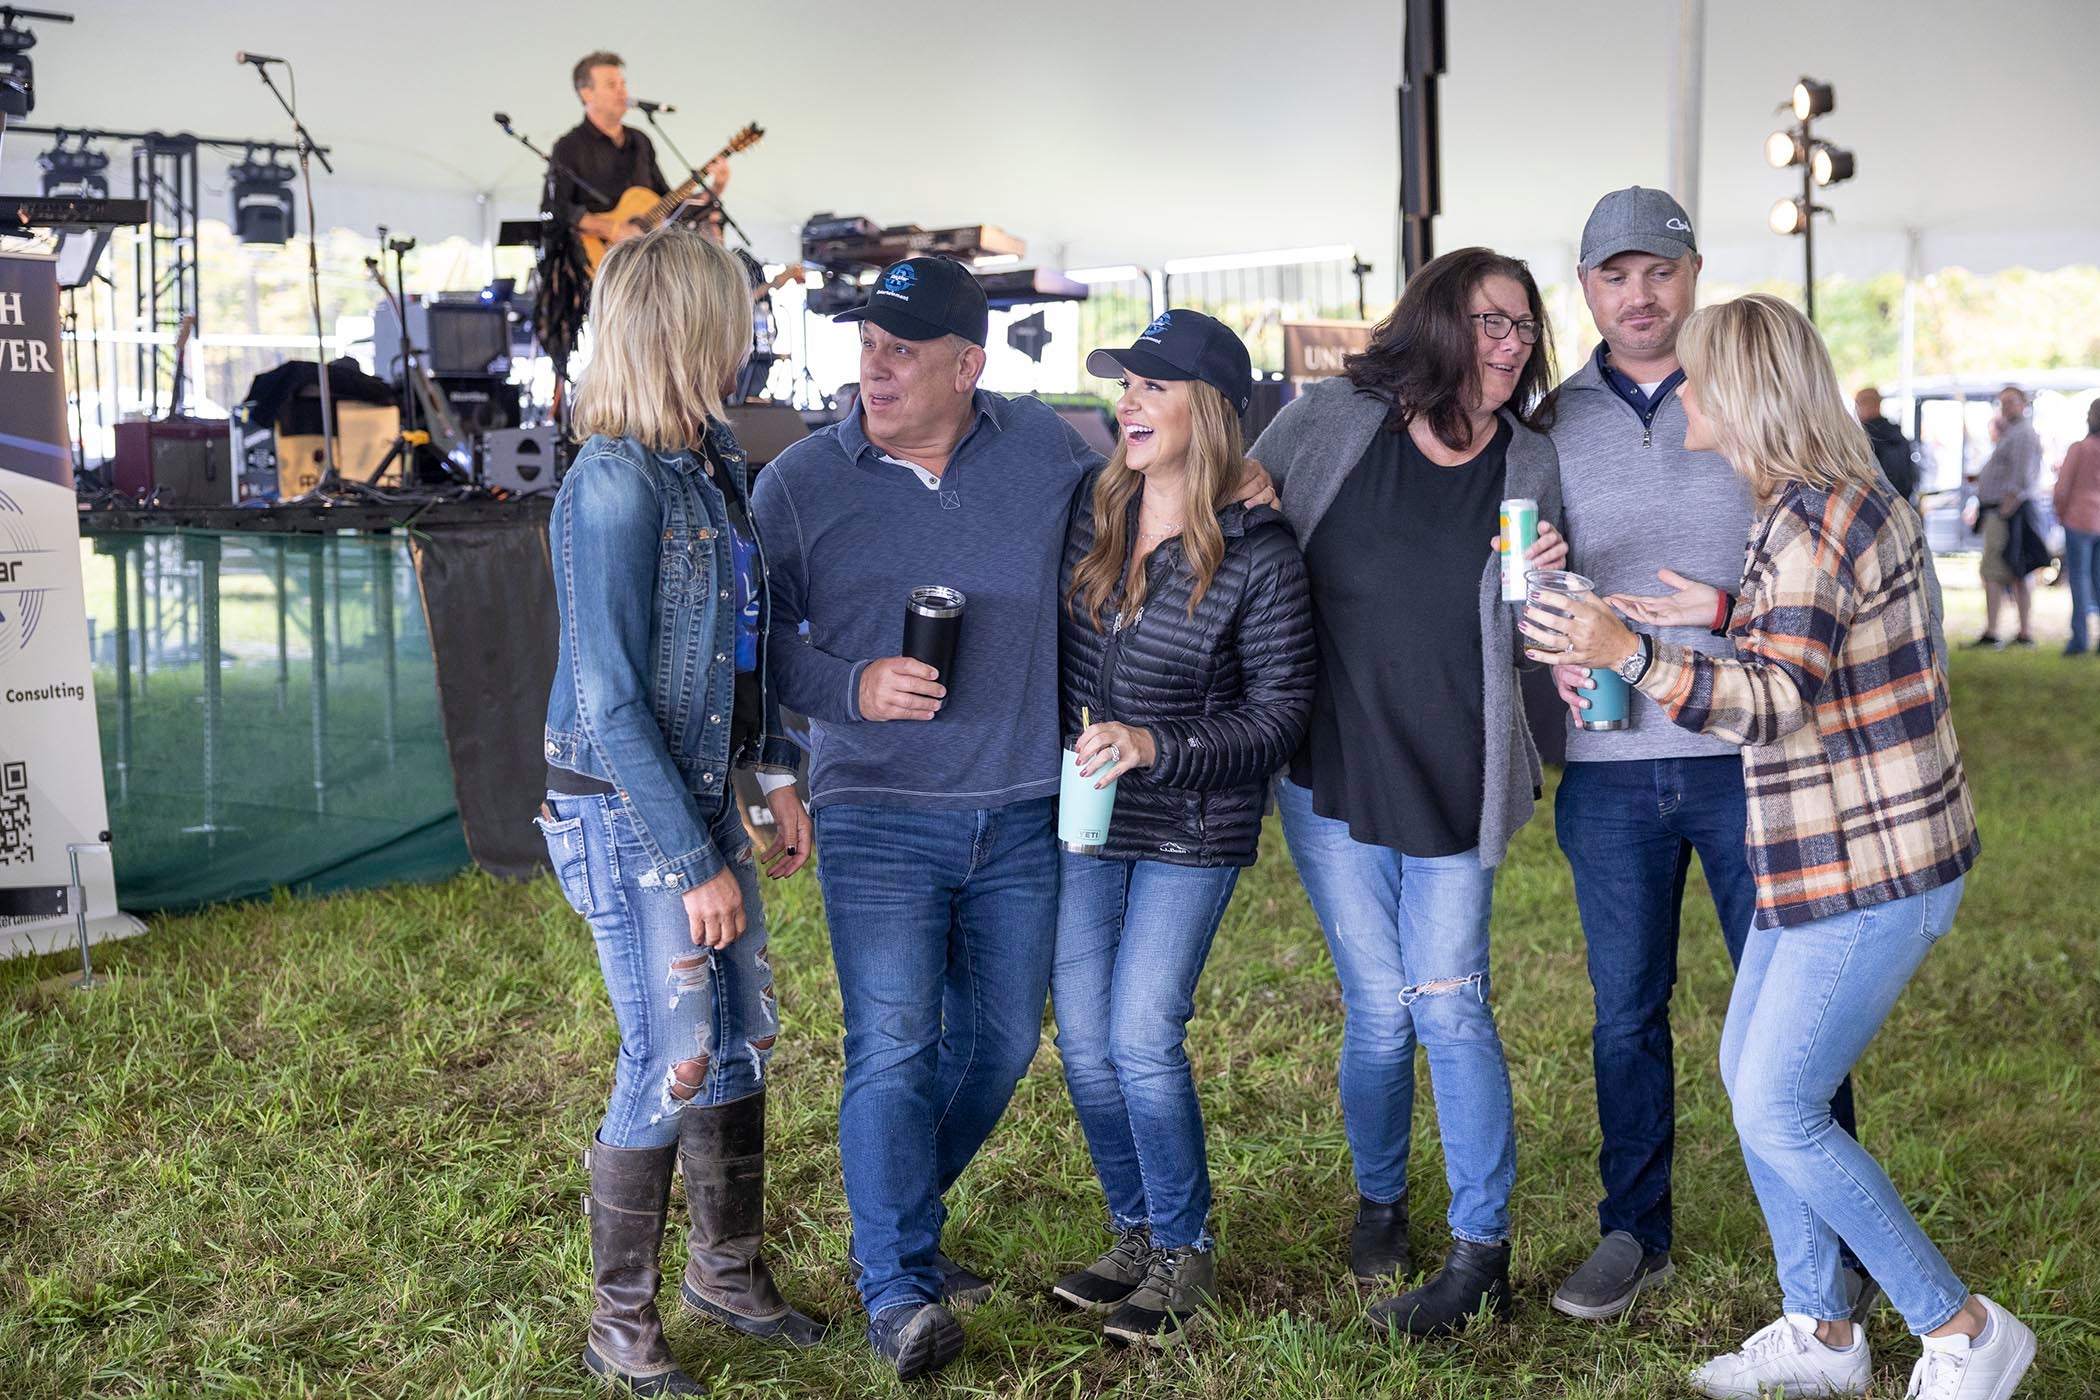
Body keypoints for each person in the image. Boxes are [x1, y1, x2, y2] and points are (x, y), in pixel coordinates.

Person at [752, 258, 1275, 1378]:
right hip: (877, 811)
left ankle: (894, 1221)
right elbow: (763, 646)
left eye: (902, 348)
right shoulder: (796, 481)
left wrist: (1251, 474)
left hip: (1027, 811)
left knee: (997, 1045)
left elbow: (1159, 470)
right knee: (892, 1043)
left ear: (967, 365)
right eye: (867, 344)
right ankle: (896, 1285)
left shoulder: (1042, 448)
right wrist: (849, 688)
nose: (874, 366)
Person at [1529, 292, 2036, 1400]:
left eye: (1701, 377)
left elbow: (1771, 699)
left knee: (1777, 1102)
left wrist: (1637, 651)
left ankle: (1963, 1329)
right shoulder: (1812, 501)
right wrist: (1712, 609)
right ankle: (1822, 1334)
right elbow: (1808, 636)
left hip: (1867, 862)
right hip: (1825, 849)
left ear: (1744, 394)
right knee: (1750, 1078)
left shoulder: (1810, 517)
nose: (1685, 392)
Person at [1542, 187, 1873, 1325]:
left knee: (1798, 1007)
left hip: (1753, 758)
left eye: (1659, 272)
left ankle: (1840, 1228)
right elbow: (1522, 584)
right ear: (1584, 287)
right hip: (1609, 758)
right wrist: (1540, 627)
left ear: (1693, 276)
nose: (1639, 295)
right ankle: (1635, 1229)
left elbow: (1821, 571)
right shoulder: (1547, 421)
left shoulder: (1752, 394)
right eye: (1613, 275)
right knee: (1626, 1009)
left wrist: (1722, 604)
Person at [1249, 246, 1567, 1338]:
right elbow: (1244, 518)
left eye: (1523, 327)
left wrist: (1555, 589)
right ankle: (1380, 1195)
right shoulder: (1333, 420)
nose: (1511, 344)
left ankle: (1484, 1246)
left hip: (1453, 770)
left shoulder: (1530, 462)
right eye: (1490, 321)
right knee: (1380, 1012)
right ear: (1435, 322)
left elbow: (1538, 630)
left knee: (1451, 1004)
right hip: (1331, 765)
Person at [538, 226, 822, 1398]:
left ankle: (726, 1269)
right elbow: (607, 699)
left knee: (744, 1032)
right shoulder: (610, 482)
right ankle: (620, 1323)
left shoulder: (711, 458)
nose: (749, 337)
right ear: (682, 326)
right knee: (675, 1050)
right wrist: (690, 854)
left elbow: (741, 653)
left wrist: (774, 775)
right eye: (735, 316)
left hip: (704, 798)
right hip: (627, 812)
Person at [1048, 311, 1314, 1347]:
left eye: (1153, 386)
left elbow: (1281, 714)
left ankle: (1183, 1244)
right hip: (1087, 812)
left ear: (1206, 411)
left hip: (1189, 823)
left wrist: (1156, 744)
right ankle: (1134, 1228)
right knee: (1082, 1036)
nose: (1128, 400)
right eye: (1126, 383)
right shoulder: (1092, 506)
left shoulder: (1261, 551)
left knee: (1140, 1034)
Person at [547, 50, 729, 251]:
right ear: (586, 93)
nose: (622, 91)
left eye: (623, 83)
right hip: (595, 259)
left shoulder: (641, 141)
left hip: (645, 259)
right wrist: (614, 229)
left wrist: (716, 188)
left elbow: (669, 202)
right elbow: (556, 207)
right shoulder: (569, 146)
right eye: (611, 85)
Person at [1967, 385, 2043, 648]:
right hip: (2003, 509)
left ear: (2023, 403)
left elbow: (2021, 477)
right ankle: (2017, 631)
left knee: (1996, 571)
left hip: (2007, 512)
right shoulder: (2013, 432)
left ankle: (1997, 631)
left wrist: (2004, 510)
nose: (2006, 407)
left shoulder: (2022, 434)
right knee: (2013, 572)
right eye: (2002, 403)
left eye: (2011, 402)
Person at [2049, 399, 2100, 655]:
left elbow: (2063, 486)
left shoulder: (2080, 449)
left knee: (2079, 579)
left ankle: (2079, 640)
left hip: (2079, 519)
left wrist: (2059, 512)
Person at [1855, 387, 1920, 504]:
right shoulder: (1897, 434)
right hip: (1901, 503)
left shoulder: (1865, 438)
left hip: (1877, 504)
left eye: (1857, 404)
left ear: (1868, 404)